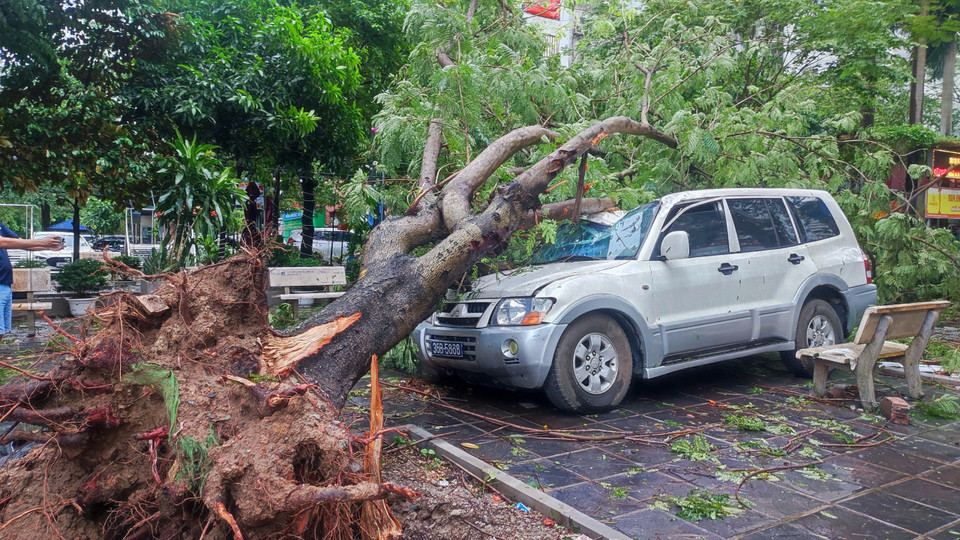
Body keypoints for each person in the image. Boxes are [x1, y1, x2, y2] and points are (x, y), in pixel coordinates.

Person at [0, 222, 62, 340]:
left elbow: (21, 243)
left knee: (1, 331)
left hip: (5, 284)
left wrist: (48, 246)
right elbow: (2, 242)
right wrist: (41, 242)